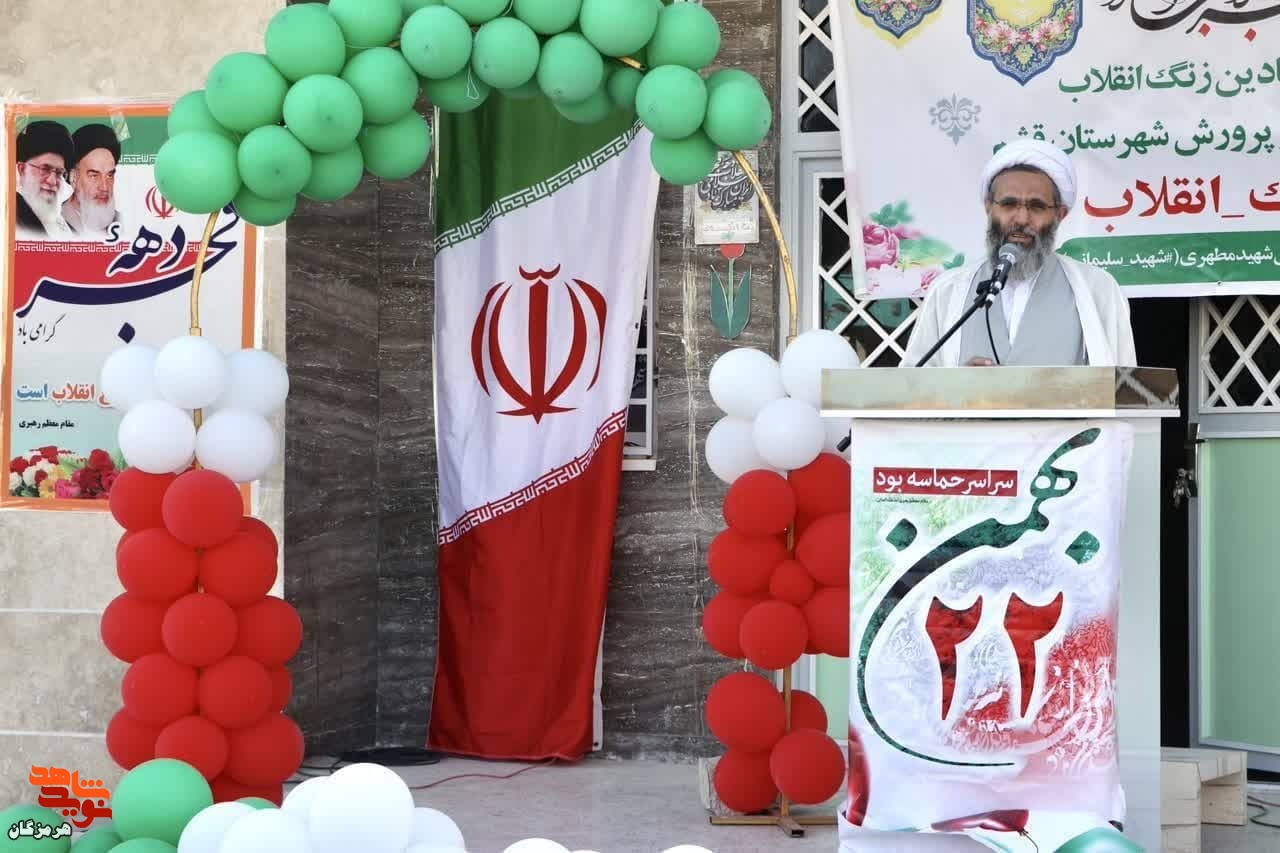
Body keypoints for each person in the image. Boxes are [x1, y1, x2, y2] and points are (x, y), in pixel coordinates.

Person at [903, 139, 1137, 368]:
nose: (1022, 219)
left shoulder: (1098, 290)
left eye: (1037, 206)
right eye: (1009, 204)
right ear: (989, 207)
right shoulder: (948, 290)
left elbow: (1124, 387)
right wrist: (960, 384)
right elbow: (911, 385)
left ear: (1060, 214)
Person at [14, 120, 75, 240]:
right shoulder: (10, 218)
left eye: (59, 172)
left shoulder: (66, 226)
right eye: (45, 169)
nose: (53, 181)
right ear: (22, 169)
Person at [63, 123, 123, 240]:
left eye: (109, 175)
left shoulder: (122, 222)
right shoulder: (52, 222)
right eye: (94, 176)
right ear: (74, 177)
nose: (104, 187)